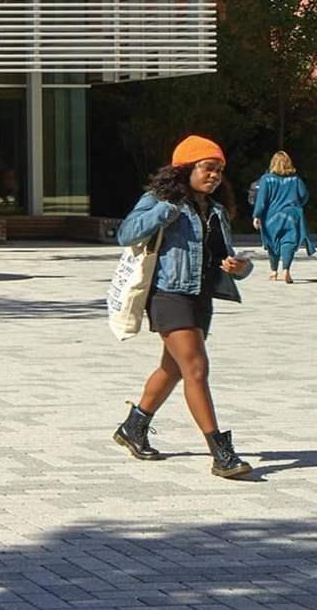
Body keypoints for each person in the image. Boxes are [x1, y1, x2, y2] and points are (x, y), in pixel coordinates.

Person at [112, 135, 254, 480]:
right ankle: (221, 452)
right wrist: (166, 209)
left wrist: (241, 266)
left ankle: (134, 426)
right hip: (167, 294)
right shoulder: (159, 200)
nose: (215, 176)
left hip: (200, 297)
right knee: (196, 369)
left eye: (219, 170)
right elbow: (126, 233)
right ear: (186, 168)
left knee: (174, 369)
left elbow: (226, 256)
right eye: (208, 168)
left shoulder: (216, 210)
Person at [252, 150, 311, 284]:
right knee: (288, 241)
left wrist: (257, 215)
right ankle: (286, 270)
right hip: (292, 214)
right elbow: (304, 195)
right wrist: (296, 203)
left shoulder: (266, 179)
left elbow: (261, 200)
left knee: (272, 243)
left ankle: (273, 271)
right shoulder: (295, 179)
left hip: (271, 216)